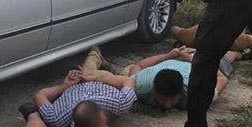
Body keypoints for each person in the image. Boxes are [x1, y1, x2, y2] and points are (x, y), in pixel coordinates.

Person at [80, 45, 239, 110]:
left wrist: (193, 59)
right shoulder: (142, 85)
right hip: (169, 61)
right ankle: (95, 55)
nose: (166, 104)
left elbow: (222, 79)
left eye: (171, 99)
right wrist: (168, 55)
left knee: (224, 58)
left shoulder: (197, 94)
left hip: (194, 61)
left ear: (180, 93)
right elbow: (139, 65)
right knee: (93, 76)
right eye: (162, 99)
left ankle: (240, 51)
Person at [35, 65, 136, 127]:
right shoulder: (57, 119)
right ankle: (95, 56)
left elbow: (128, 80)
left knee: (93, 68)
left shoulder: (119, 102)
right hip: (78, 82)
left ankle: (95, 55)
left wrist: (94, 78)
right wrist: (65, 85)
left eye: (104, 121)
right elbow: (39, 96)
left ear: (101, 108)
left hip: (100, 78)